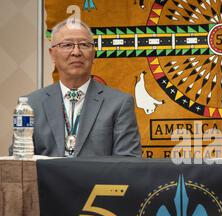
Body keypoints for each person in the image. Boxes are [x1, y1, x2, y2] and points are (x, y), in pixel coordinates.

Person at [10, 17, 141, 157]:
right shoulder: (31, 105)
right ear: (52, 54)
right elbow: (19, 162)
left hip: (98, 179)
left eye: (84, 45)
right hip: (47, 179)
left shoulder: (119, 103)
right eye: (67, 45)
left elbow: (128, 163)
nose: (76, 52)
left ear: (93, 54)